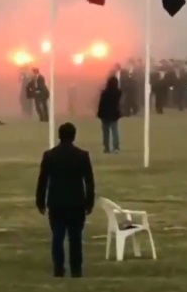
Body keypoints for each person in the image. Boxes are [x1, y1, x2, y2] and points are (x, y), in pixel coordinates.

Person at [35, 123, 95, 278]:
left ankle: (59, 268)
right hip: (76, 202)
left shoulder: (49, 155)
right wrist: (90, 202)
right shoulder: (82, 155)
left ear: (59, 135)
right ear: (74, 136)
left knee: (57, 236)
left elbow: (42, 180)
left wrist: (40, 201)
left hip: (56, 202)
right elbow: (89, 181)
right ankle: (76, 270)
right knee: (75, 238)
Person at [97, 76, 122, 153]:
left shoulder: (104, 93)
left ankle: (106, 148)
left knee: (105, 133)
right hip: (114, 114)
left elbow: (101, 104)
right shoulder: (118, 92)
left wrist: (99, 113)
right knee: (115, 131)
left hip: (105, 114)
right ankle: (116, 147)